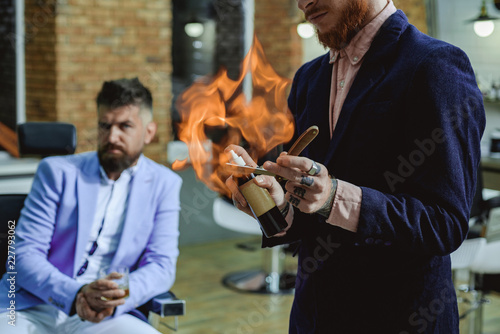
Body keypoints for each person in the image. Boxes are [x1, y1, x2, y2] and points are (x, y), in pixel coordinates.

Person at [226, 0, 486, 333]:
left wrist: (335, 197)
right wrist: (275, 206)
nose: (302, 2)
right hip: (313, 317)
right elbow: (309, 218)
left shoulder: (435, 65)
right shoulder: (309, 78)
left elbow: (444, 225)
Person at [0, 78, 182, 333]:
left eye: (125, 126)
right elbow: (23, 254)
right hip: (35, 305)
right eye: (104, 126)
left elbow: (162, 265)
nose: (112, 137)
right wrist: (76, 294)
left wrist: (115, 295)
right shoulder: (57, 172)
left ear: (149, 132)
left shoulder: (165, 184)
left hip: (107, 313)